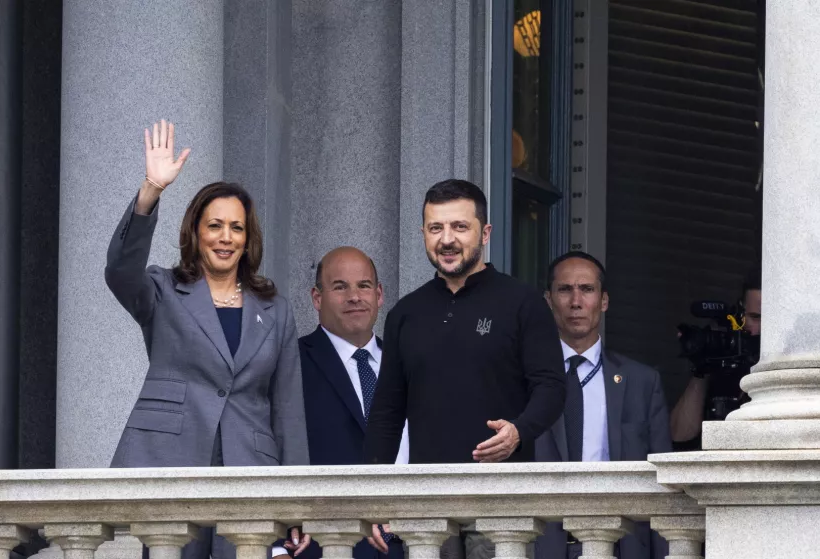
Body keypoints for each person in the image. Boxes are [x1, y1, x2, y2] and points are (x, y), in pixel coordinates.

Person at [105, 120, 310, 559]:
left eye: (236, 228)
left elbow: (288, 409)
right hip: (172, 462)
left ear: (247, 237)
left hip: (249, 469)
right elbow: (120, 272)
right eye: (215, 225)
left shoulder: (276, 309)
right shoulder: (163, 291)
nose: (225, 238)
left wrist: (297, 500)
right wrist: (150, 192)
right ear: (196, 232)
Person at [363, 179, 565, 559]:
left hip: (499, 497)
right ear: (423, 233)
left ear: (484, 232)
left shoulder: (522, 303)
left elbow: (552, 387)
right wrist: (372, 496)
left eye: (460, 227)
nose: (447, 239)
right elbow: (387, 413)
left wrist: (519, 431)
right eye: (436, 228)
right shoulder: (405, 314)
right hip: (425, 499)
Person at [534, 251, 672, 559]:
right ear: (548, 299)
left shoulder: (642, 382)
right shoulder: (525, 381)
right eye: (564, 289)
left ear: (604, 301)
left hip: (620, 547)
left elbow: (664, 487)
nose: (576, 301)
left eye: (587, 289)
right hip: (544, 547)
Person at [291, 246, 407, 559]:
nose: (354, 296)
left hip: (411, 543)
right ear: (317, 298)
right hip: (328, 546)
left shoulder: (407, 365)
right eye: (340, 287)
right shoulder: (290, 364)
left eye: (364, 286)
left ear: (379, 294)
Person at [669, 265, 762, 446]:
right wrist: (702, 368)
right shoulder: (727, 360)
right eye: (755, 317)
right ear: (740, 313)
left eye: (769, 318)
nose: (759, 329)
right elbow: (679, 435)